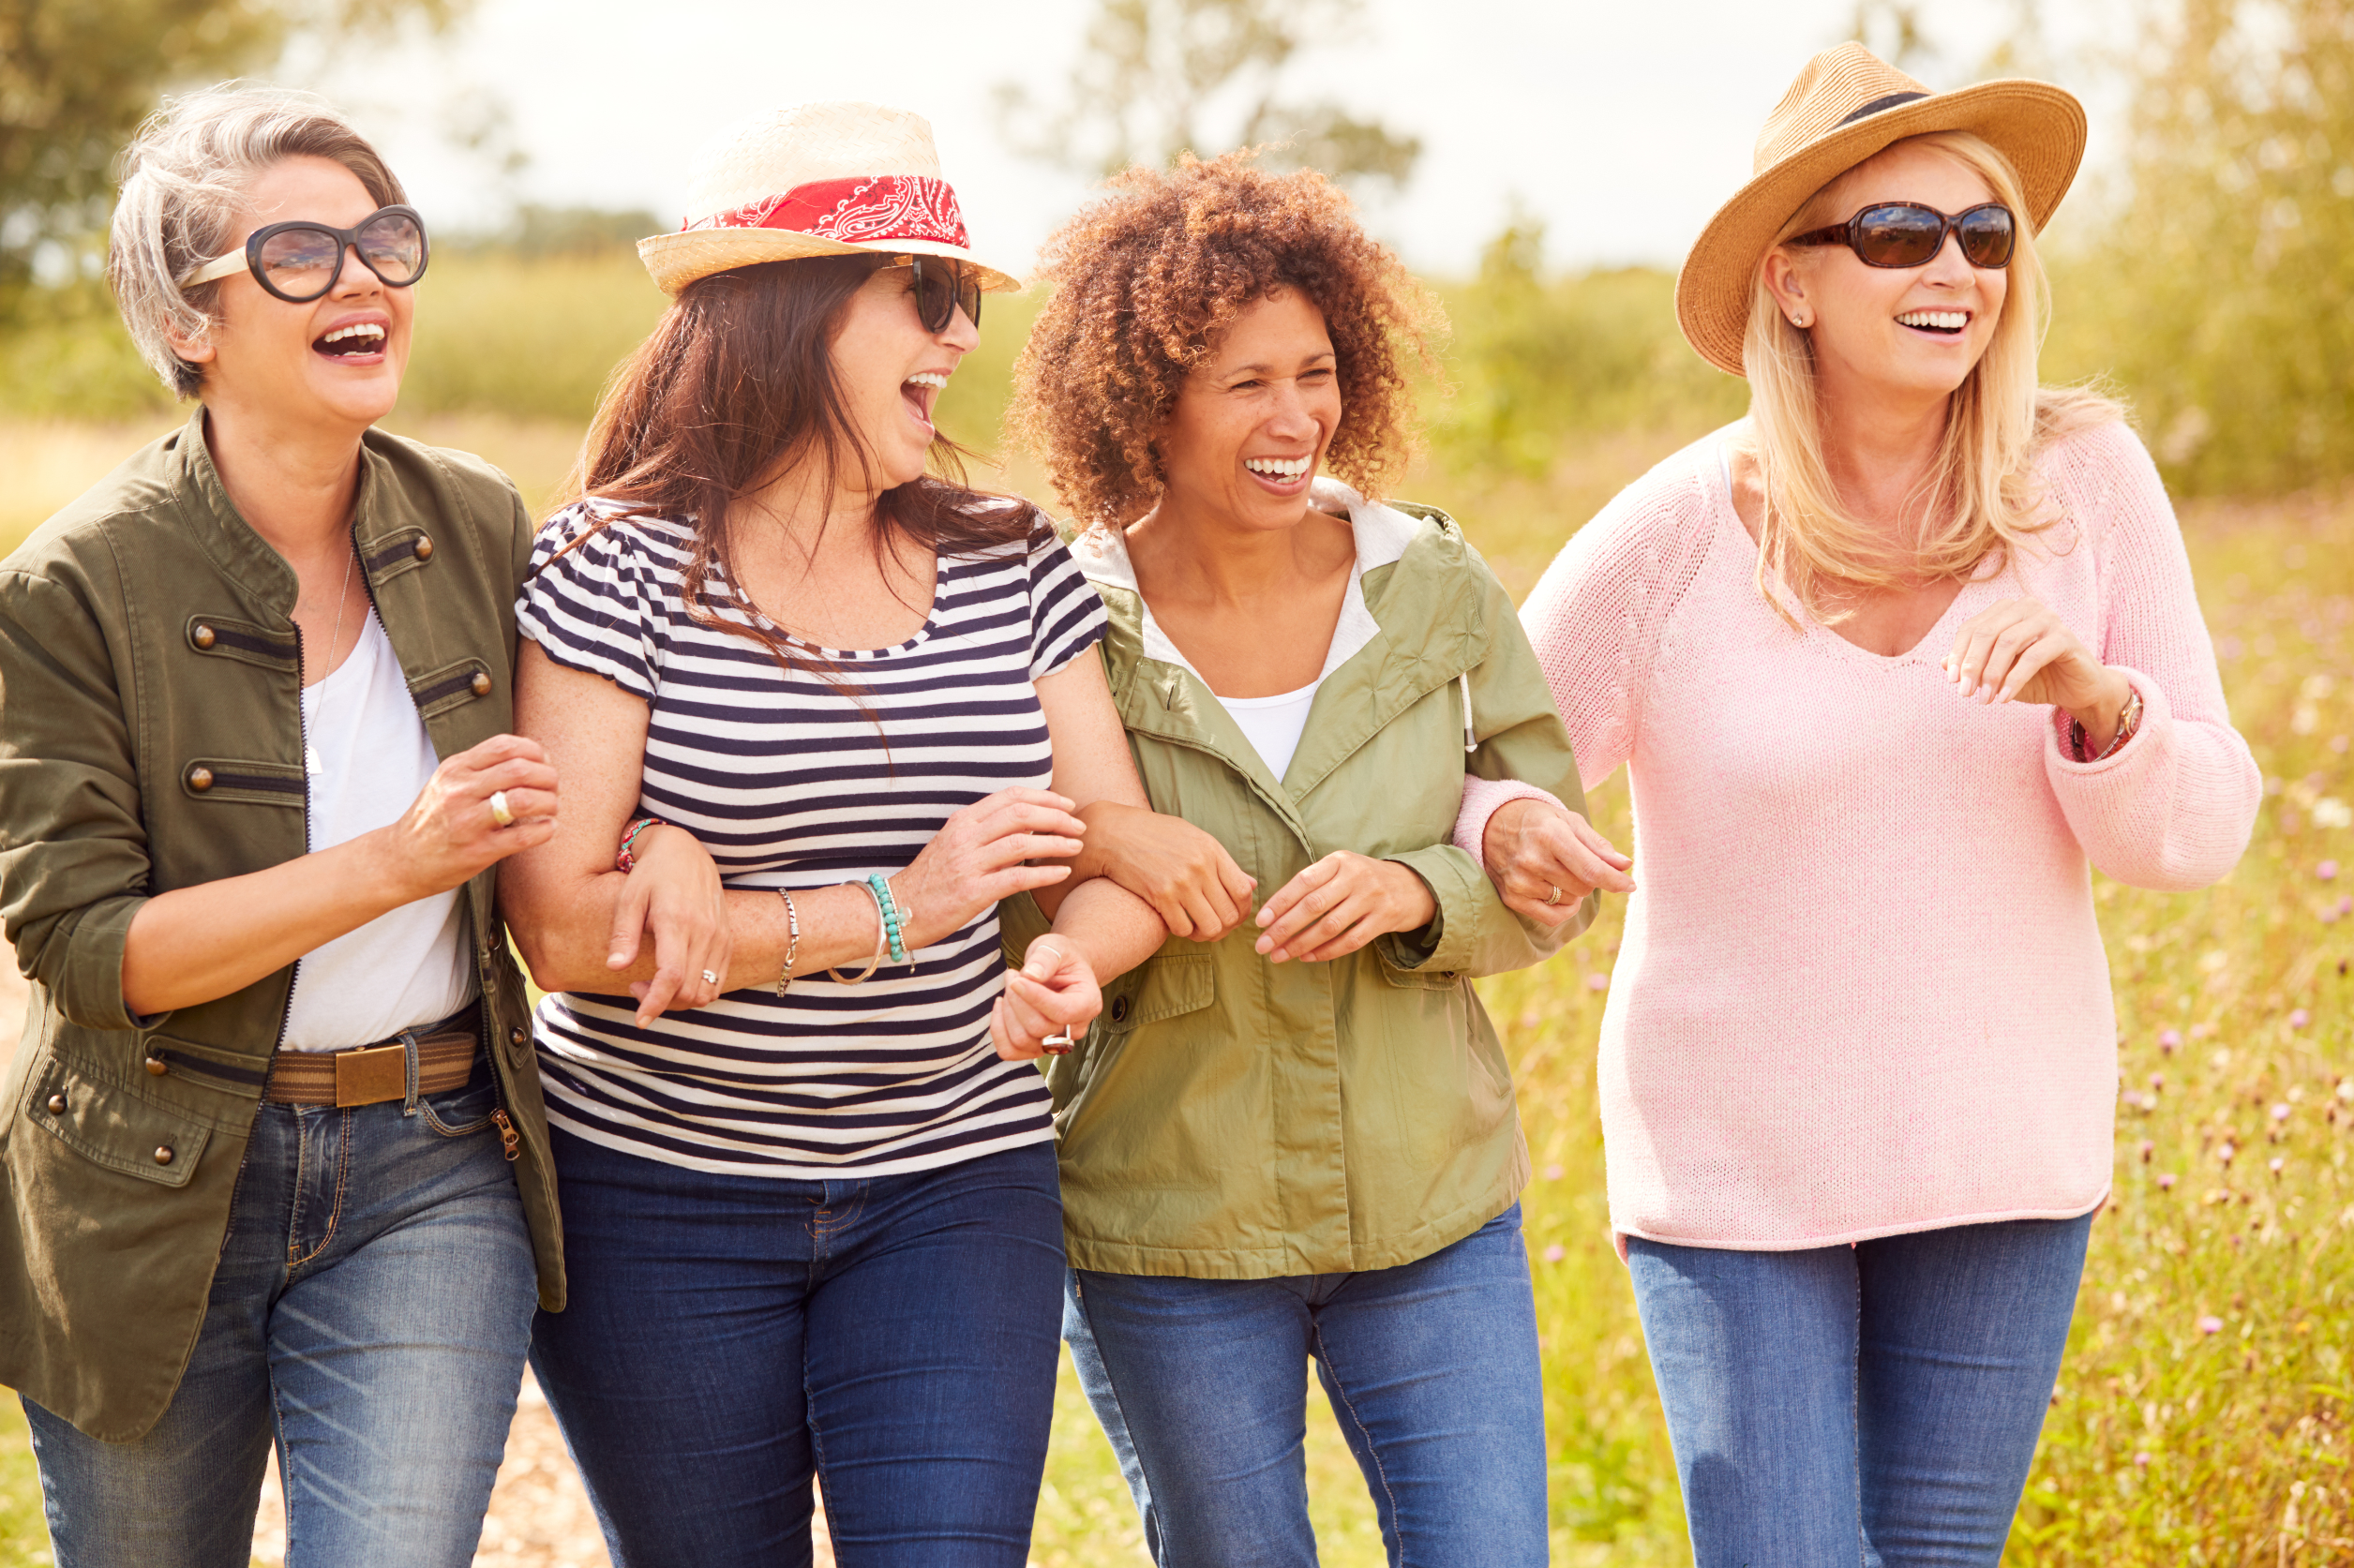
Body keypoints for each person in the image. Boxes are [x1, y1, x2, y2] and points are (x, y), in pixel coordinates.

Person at [1463, 44, 2262, 1566]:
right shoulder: (1672, 534)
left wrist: (2101, 710)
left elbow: (2201, 829)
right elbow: (1472, 763)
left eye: (1984, 234)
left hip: (2000, 1160)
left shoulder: (2083, 485)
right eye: (1897, 235)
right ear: (1791, 283)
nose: (1953, 269)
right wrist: (1501, 829)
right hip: (1733, 1175)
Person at [0, 84, 690, 1568]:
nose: (365, 276)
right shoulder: (71, 587)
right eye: (300, 254)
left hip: (428, 1160)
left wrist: (670, 842)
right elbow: (83, 953)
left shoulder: (484, 524)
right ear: (190, 321)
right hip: (149, 1177)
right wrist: (395, 861)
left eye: (383, 238)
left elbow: (606, 783)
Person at [499, 101, 1164, 1568]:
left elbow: (1105, 847)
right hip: (654, 1195)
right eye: (923, 298)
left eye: (964, 299)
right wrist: (899, 910)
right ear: (792, 314)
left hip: (955, 1174)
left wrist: (1083, 963)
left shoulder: (1014, 561)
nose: (962, 337)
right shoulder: (612, 568)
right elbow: (559, 934)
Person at [1000, 151, 1603, 1568]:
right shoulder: (1054, 617)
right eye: (1245, 383)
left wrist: (1420, 890)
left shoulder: (1431, 585)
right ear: (1144, 403)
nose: (1297, 419)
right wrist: (1091, 881)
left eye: (1316, 372)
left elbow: (1544, 862)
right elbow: (1017, 870)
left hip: (1428, 1210)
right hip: (1170, 1226)